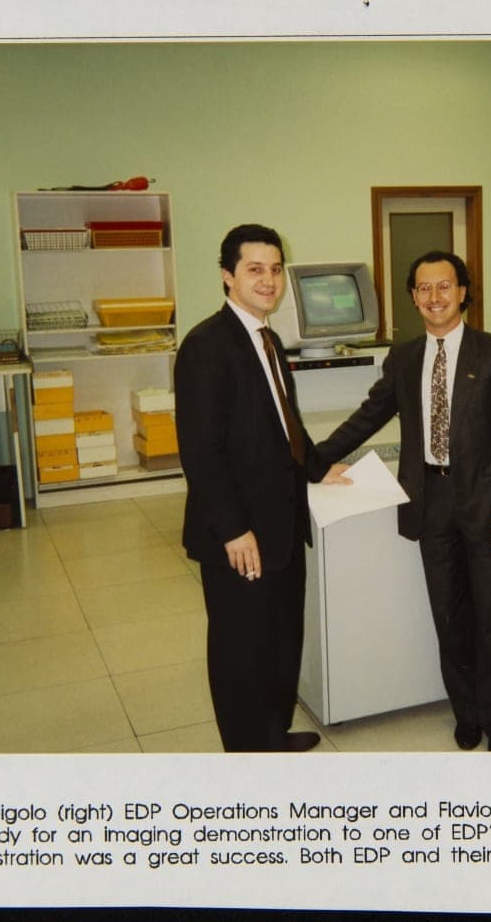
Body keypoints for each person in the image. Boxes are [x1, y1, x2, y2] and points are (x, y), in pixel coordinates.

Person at [315, 251, 491, 751]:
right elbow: (368, 416)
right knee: (449, 617)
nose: (434, 297)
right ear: (413, 296)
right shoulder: (406, 357)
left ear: (462, 292)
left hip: (486, 506)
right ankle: (467, 712)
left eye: (444, 287)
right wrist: (312, 458)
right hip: (429, 501)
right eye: (423, 288)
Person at [174, 223, 348, 753]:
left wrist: (317, 467)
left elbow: (284, 422)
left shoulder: (267, 339)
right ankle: (247, 753)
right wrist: (232, 529)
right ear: (228, 276)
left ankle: (272, 731)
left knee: (279, 641)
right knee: (240, 650)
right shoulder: (208, 346)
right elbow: (201, 453)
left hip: (280, 523)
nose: (269, 281)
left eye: (275, 270)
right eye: (255, 270)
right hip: (240, 534)